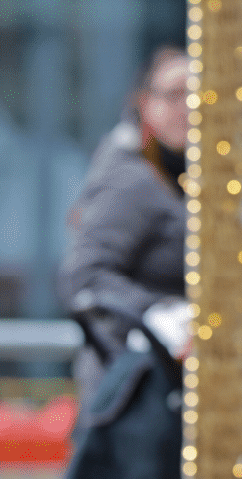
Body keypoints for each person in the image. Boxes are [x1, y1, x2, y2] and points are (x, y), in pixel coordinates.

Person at [59, 45, 193, 402]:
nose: (189, 106)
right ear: (144, 103)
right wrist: (164, 314)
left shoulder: (178, 174)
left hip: (163, 385)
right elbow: (84, 276)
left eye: (199, 94)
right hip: (134, 391)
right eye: (175, 94)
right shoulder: (132, 179)